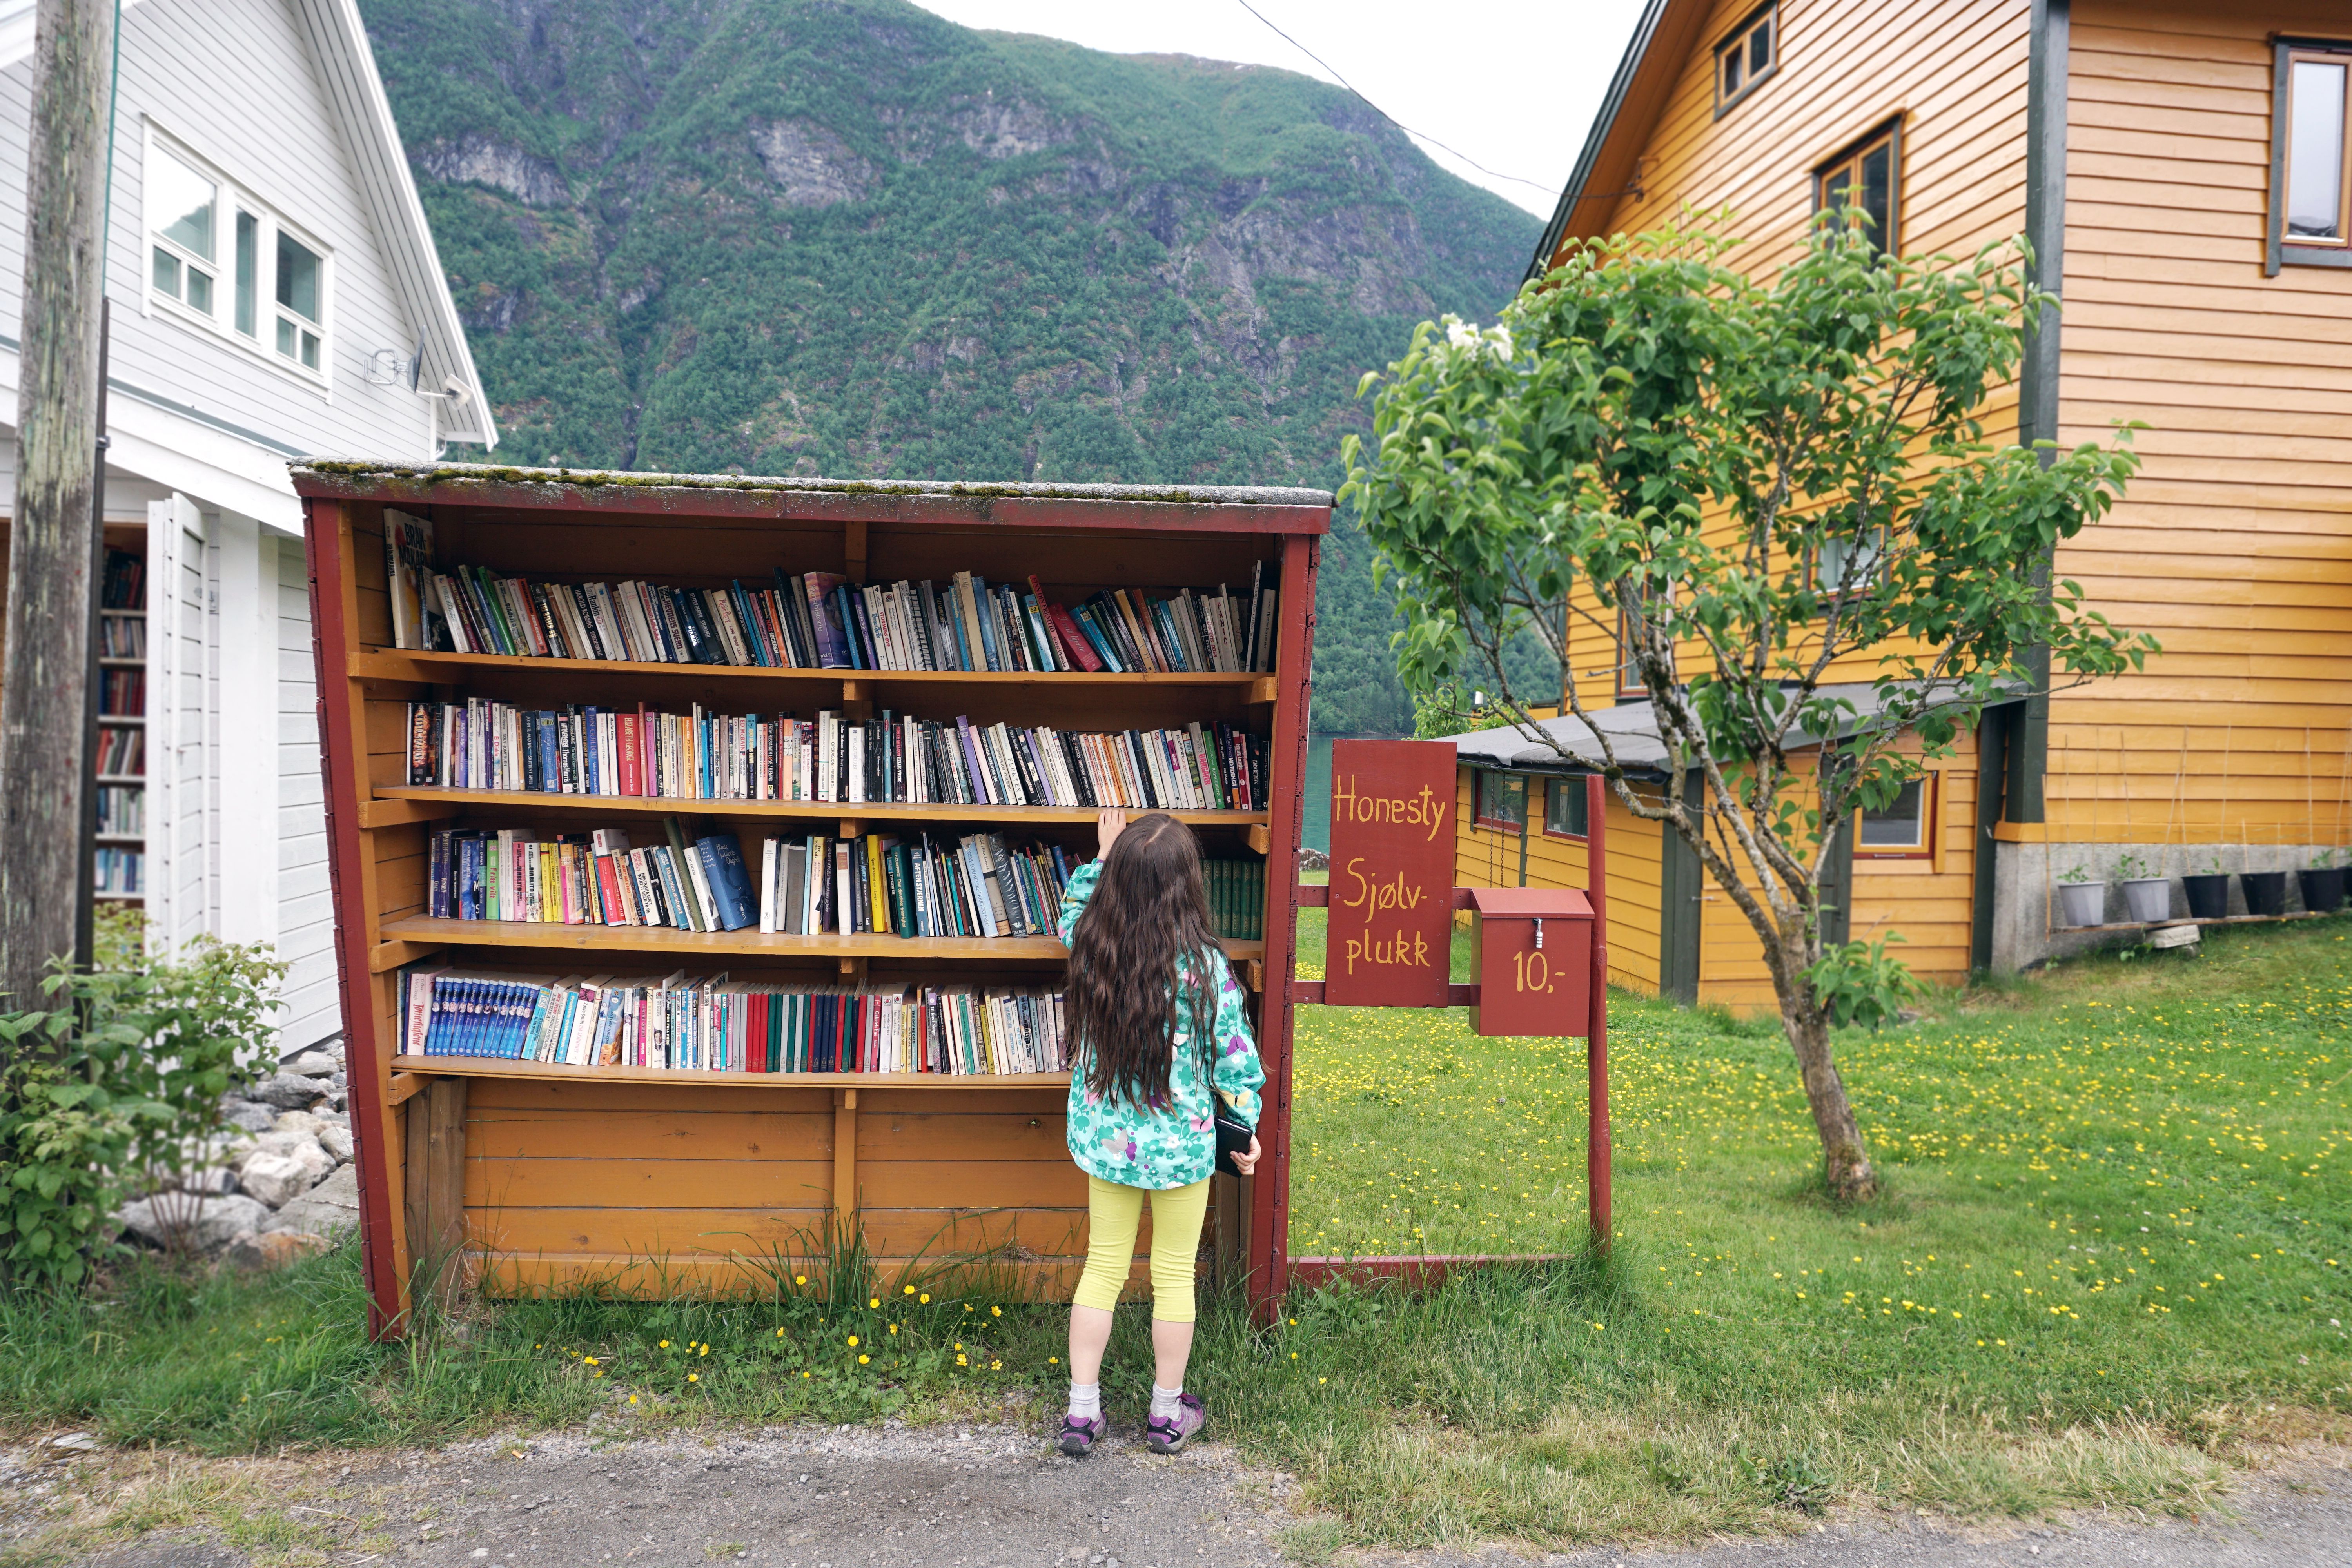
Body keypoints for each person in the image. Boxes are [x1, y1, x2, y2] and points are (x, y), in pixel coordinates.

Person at [1055, 807, 1264, 1457]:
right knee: (1174, 1275)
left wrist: (1100, 856)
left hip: (1108, 1146)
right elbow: (1236, 1060)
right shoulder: (1205, 966)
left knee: (1103, 1268)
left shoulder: (1092, 944)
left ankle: (1083, 1413)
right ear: (1187, 886)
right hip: (1182, 1150)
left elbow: (1069, 913)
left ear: (1118, 881)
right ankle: (1167, 1415)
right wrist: (1245, 1127)